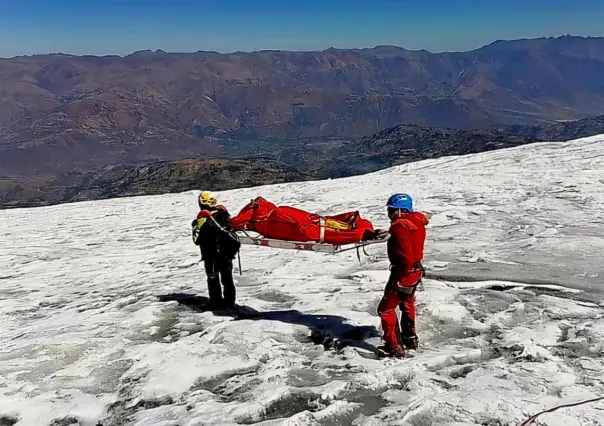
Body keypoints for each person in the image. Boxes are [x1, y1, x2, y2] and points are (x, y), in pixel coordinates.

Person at [376, 193, 429, 358]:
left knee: (385, 309)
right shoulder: (417, 221)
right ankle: (410, 338)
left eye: (391, 210)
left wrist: (396, 279)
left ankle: (393, 347)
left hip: (404, 273)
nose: (389, 214)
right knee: (407, 303)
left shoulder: (399, 227)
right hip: (416, 271)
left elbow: (406, 258)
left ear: (400, 210)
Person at [191, 191, 241, 310]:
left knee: (213, 279)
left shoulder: (202, 219)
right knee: (227, 279)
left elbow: (197, 240)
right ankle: (230, 303)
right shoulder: (224, 214)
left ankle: (216, 303)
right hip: (226, 254)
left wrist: (198, 222)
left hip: (211, 255)